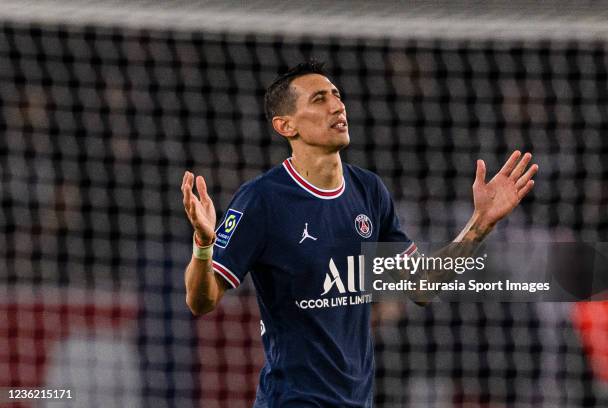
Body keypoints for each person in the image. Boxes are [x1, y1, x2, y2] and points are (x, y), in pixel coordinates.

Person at [181, 60, 538, 407]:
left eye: (336, 94)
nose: (337, 105)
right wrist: (203, 244)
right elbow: (201, 301)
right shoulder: (261, 200)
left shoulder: (368, 190)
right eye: (319, 99)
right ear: (286, 126)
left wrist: (481, 223)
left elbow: (421, 288)